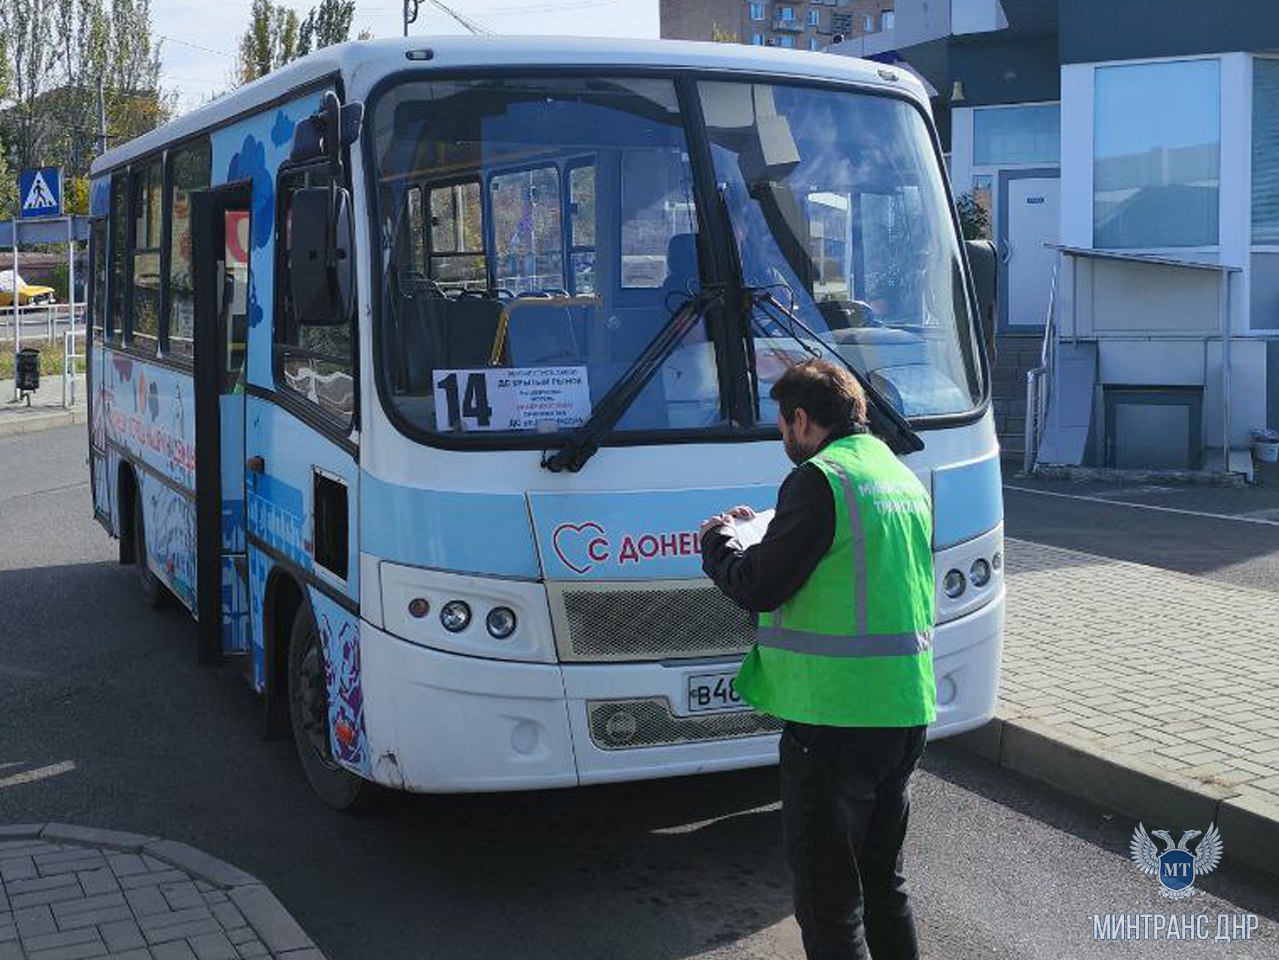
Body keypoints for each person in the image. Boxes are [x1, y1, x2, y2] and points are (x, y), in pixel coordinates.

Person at [699, 359, 935, 960]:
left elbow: (757, 586)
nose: (783, 439)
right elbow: (848, 561)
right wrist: (774, 530)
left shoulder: (819, 479)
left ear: (802, 420)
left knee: (830, 904)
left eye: (781, 426)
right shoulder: (896, 474)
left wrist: (718, 542)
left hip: (835, 720)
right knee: (885, 883)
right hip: (904, 710)